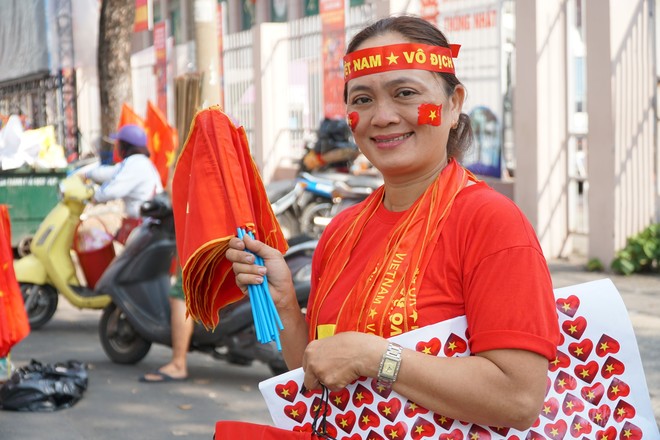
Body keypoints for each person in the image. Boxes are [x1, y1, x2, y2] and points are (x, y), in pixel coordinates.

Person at [226, 15, 559, 430]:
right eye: (362, 100)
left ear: (454, 103)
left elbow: (520, 398)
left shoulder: (490, 221)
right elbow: (322, 376)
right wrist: (287, 307)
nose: (381, 116)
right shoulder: (340, 232)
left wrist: (376, 357)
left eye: (404, 93)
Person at [84, 124, 163, 244]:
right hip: (145, 225)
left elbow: (112, 191)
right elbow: (111, 172)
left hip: (145, 229)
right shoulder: (138, 162)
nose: (116, 148)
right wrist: (87, 174)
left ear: (125, 146)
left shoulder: (136, 164)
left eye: (118, 144)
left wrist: (94, 195)